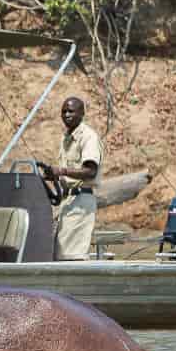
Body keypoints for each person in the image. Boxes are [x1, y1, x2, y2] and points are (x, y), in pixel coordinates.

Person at [41, 96, 103, 260]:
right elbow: (66, 173)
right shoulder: (66, 137)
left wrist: (61, 171)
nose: (66, 115)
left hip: (81, 201)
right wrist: (51, 175)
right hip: (66, 200)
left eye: (71, 111)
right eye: (63, 112)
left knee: (71, 254)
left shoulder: (88, 137)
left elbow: (90, 171)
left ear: (82, 113)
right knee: (61, 251)